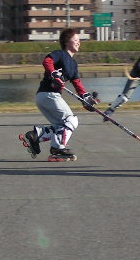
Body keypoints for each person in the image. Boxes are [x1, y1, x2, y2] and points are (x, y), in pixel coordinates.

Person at [19, 28, 98, 161]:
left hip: (45, 97)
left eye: (80, 40)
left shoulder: (73, 64)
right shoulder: (60, 54)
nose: (79, 43)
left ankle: (35, 135)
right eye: (76, 40)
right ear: (67, 42)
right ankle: (58, 148)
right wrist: (54, 74)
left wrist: (87, 99)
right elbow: (47, 61)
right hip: (49, 94)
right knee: (71, 120)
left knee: (60, 126)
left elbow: (77, 84)